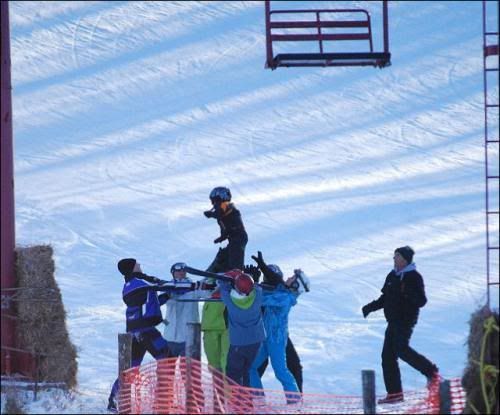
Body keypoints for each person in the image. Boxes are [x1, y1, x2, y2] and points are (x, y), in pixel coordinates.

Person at [107, 258, 197, 412]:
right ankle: (162, 401)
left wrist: (167, 295)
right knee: (167, 359)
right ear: (132, 268)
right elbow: (161, 285)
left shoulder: (134, 285)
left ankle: (113, 400)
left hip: (137, 331)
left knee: (132, 368)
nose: (140, 266)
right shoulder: (138, 282)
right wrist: (191, 286)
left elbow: (152, 300)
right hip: (146, 330)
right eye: (137, 265)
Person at [362, 246, 439, 404]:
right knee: (387, 357)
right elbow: (385, 298)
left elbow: (421, 301)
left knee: (401, 349)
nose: (394, 259)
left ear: (404, 259)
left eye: (397, 256)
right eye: (394, 256)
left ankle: (431, 371)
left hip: (405, 320)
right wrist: (370, 307)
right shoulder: (392, 275)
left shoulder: (413, 277)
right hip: (393, 321)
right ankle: (395, 394)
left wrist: (406, 291)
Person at [249, 252, 310, 404]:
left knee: (281, 371)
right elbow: (274, 283)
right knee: (251, 367)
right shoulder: (282, 291)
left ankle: (295, 401)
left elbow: (263, 299)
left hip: (276, 339)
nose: (288, 278)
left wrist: (250, 288)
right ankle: (258, 400)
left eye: (292, 278)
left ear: (296, 285)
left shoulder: (285, 298)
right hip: (264, 336)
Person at [217, 270, 265, 387]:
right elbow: (257, 287)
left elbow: (222, 285)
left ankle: (239, 402)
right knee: (246, 371)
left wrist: (230, 278)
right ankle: (247, 401)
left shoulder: (230, 300)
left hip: (239, 343)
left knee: (233, 374)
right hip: (256, 341)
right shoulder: (257, 296)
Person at [204, 186, 248, 271]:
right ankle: (220, 270)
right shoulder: (222, 212)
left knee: (235, 252)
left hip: (239, 237)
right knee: (225, 253)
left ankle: (236, 270)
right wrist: (221, 237)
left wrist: (211, 214)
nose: (213, 204)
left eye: (214, 200)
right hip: (233, 237)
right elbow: (225, 228)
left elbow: (220, 213)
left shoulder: (227, 205)